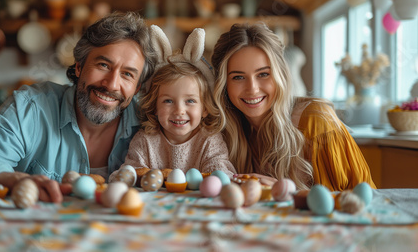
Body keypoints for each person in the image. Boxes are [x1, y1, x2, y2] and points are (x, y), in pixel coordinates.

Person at [0, 12, 157, 202]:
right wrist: (14, 179)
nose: (111, 84)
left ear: (137, 88)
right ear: (79, 67)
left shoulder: (151, 123)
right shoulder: (30, 108)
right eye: (103, 65)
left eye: (127, 74)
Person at [211, 23, 376, 191]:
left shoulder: (316, 120)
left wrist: (285, 192)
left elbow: (359, 206)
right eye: (238, 77)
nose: (252, 88)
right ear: (224, 85)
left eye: (263, 74)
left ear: (280, 75)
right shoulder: (229, 134)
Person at [109, 26, 235, 182]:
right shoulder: (145, 141)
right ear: (154, 106)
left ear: (205, 108)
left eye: (190, 101)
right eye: (168, 101)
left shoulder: (209, 141)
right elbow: (131, 173)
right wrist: (124, 178)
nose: (179, 111)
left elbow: (221, 175)